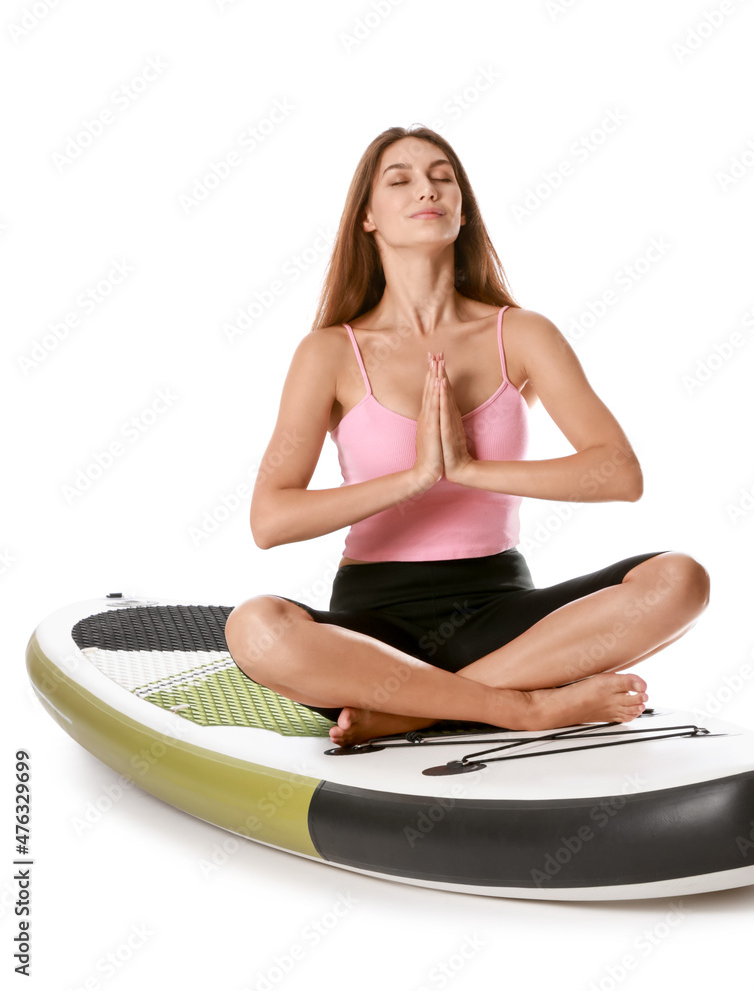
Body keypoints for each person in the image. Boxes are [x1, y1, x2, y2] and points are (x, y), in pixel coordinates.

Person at [224, 124, 710, 749]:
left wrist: (470, 470)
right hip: (375, 632)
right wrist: (415, 478)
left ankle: (415, 710)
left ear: (461, 209)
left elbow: (618, 474)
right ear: (367, 218)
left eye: (443, 177)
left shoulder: (522, 335)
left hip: (502, 616)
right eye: (400, 180)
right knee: (254, 626)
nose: (427, 189)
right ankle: (520, 709)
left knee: (680, 580)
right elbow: (271, 519)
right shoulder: (330, 353)